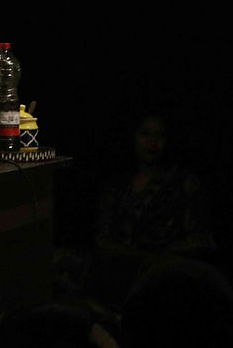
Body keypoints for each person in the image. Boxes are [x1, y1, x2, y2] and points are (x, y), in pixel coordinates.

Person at [82, 113, 219, 312]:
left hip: (165, 276)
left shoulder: (183, 183)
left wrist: (162, 258)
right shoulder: (117, 186)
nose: (152, 142)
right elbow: (102, 237)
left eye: (159, 136)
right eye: (146, 134)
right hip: (119, 276)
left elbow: (203, 239)